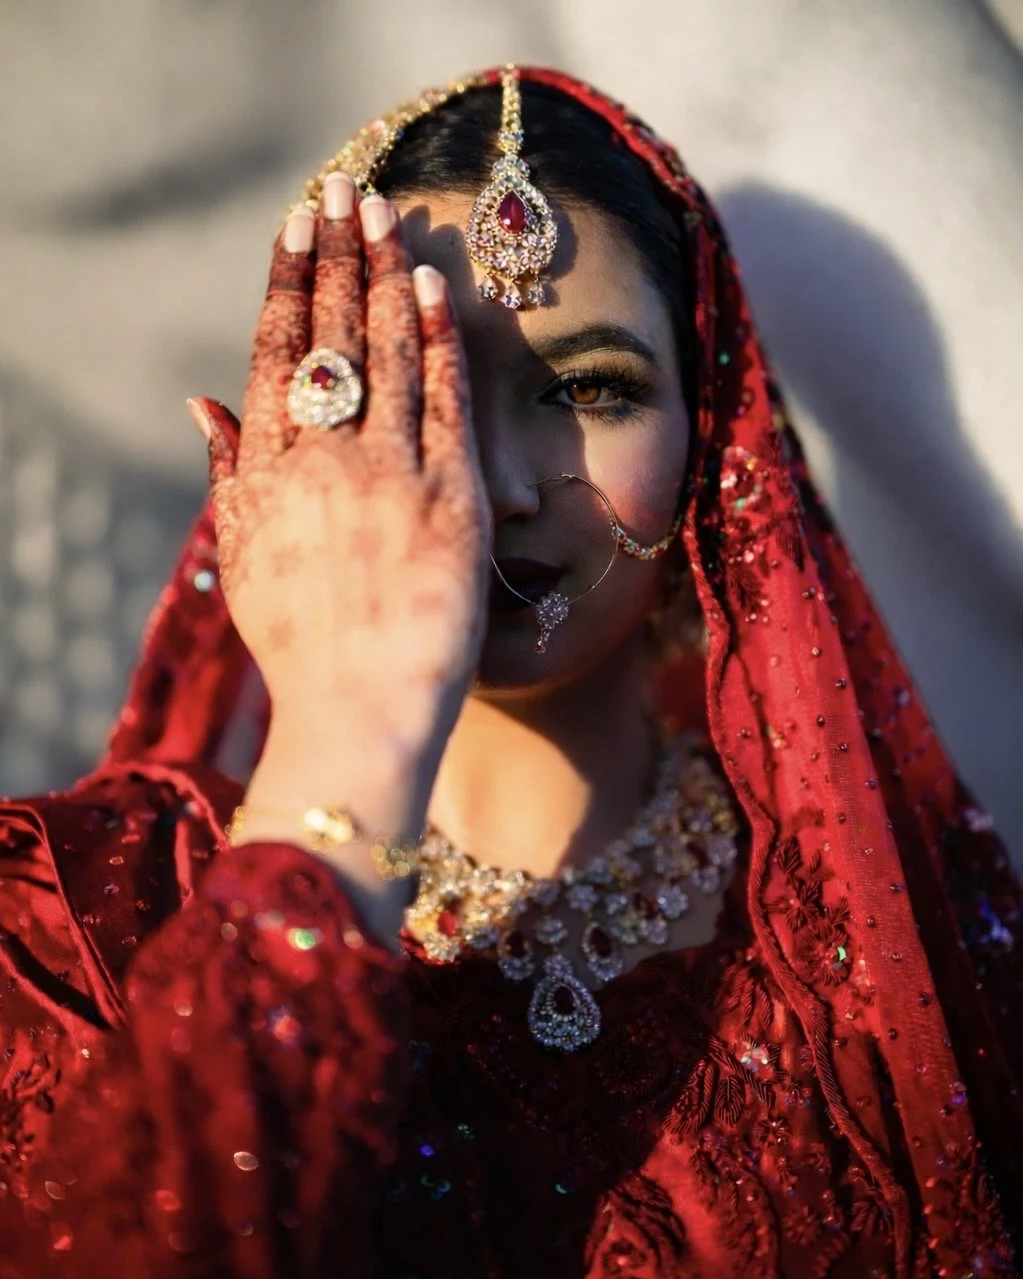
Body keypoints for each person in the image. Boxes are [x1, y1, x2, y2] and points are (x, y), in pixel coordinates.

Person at [0, 63, 1020, 1278]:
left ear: (714, 432)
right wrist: (348, 745)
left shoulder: (887, 945)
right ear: (297, 432)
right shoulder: (74, 922)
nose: (504, 486)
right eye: (415, 386)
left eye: (589, 388)